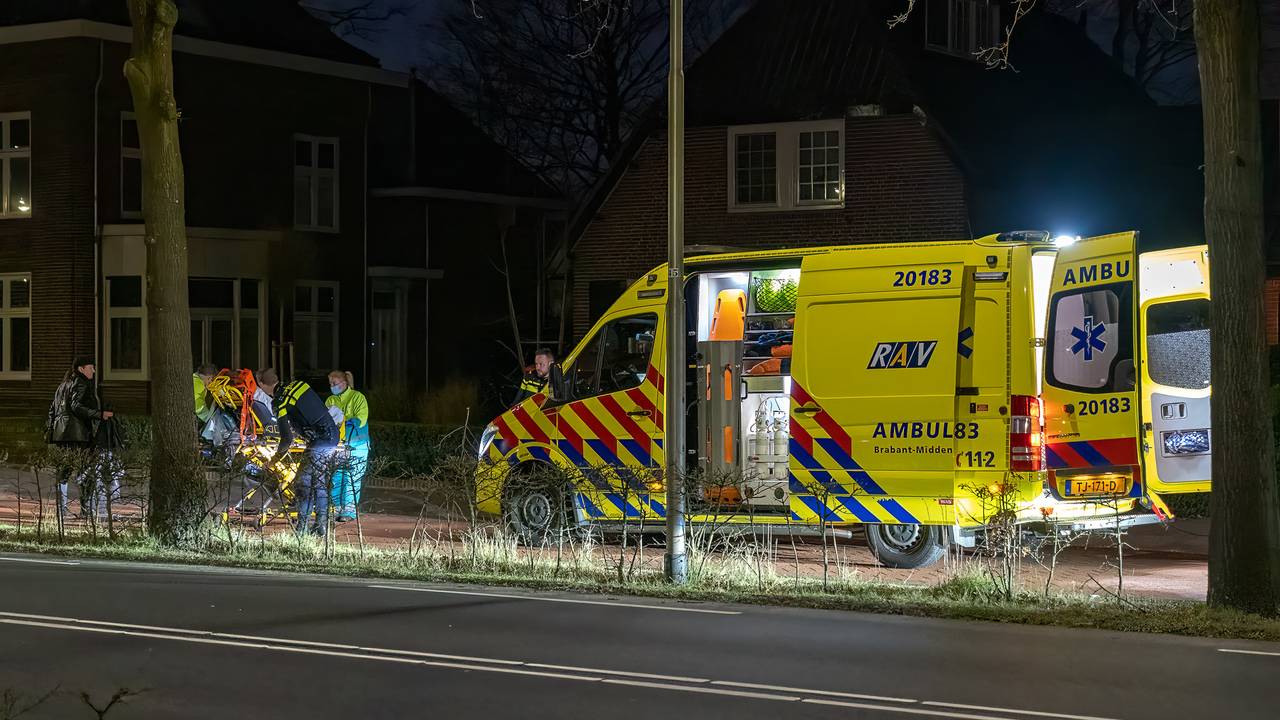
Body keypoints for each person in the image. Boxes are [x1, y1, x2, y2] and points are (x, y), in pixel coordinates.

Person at [255, 368, 339, 537]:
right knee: (319, 482)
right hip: (331, 435)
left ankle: (302, 527)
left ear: (262, 384)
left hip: (319, 440)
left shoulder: (279, 402)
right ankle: (320, 526)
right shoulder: (298, 385)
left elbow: (286, 439)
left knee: (302, 482)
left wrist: (274, 459)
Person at [45, 356, 114, 519]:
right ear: (81, 369)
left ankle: (61, 510)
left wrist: (51, 432)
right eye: (91, 367)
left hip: (61, 434)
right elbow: (76, 406)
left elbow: (52, 410)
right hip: (78, 434)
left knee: (65, 470)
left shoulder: (62, 386)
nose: (94, 371)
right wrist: (99, 414)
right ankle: (86, 509)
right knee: (86, 470)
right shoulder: (81, 382)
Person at [325, 370, 371, 522]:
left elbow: (361, 420)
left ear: (344, 383)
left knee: (352, 477)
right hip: (338, 445)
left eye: (335, 383)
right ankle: (336, 509)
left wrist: (343, 421)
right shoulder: (331, 400)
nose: (332, 387)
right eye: (330, 384)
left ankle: (349, 512)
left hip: (357, 445)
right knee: (337, 477)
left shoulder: (358, 397)